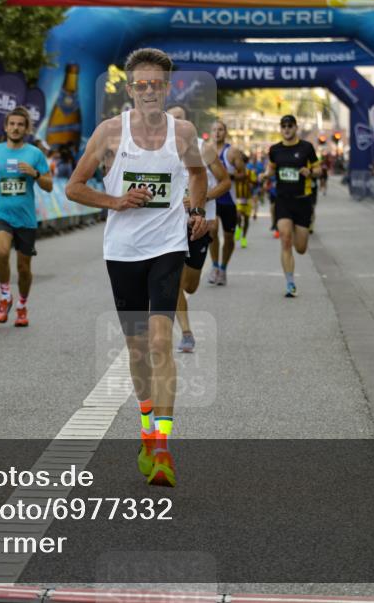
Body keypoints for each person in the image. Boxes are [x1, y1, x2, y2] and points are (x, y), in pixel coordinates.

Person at [66, 47, 208, 487]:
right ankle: (146, 429)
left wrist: (196, 210)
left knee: (162, 340)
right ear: (130, 89)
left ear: (168, 88)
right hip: (123, 251)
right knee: (138, 349)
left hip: (167, 246)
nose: (149, 92)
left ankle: (162, 446)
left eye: (157, 85)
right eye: (141, 85)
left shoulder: (183, 132)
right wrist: (116, 201)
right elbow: (74, 187)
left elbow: (199, 174)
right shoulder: (110, 133)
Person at [0, 106, 53, 327]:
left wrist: (35, 173)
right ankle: (4, 296)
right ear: (5, 127)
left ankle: (21, 305)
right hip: (0, 213)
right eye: (12, 124)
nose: (15, 128)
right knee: (1, 251)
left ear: (26, 128)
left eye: (20, 124)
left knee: (24, 268)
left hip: (26, 218)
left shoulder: (34, 154)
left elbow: (48, 186)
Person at [166, 104, 230, 355]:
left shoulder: (204, 149)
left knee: (189, 285)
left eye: (179, 119)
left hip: (199, 224)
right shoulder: (159, 152)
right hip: (170, 226)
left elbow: (225, 182)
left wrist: (200, 200)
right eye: (170, 120)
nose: (175, 124)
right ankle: (186, 332)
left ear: (187, 123)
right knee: (172, 280)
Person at [264, 114, 321, 297]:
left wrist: (310, 171)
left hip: (303, 200)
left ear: (296, 128)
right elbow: (271, 167)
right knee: (285, 239)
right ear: (280, 129)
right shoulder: (275, 150)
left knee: (301, 248)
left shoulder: (306, 148)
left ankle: (303, 229)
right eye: (283, 126)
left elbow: (319, 169)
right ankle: (290, 283)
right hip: (283, 200)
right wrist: (265, 175)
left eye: (290, 125)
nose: (286, 129)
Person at [206, 120, 244, 285]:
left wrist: (227, 176)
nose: (217, 133)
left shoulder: (232, 152)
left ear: (225, 132)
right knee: (212, 230)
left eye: (220, 129)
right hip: (211, 197)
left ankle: (223, 268)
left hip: (228, 199)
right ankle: (214, 266)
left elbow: (243, 174)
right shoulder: (204, 150)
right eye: (214, 129)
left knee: (228, 237)